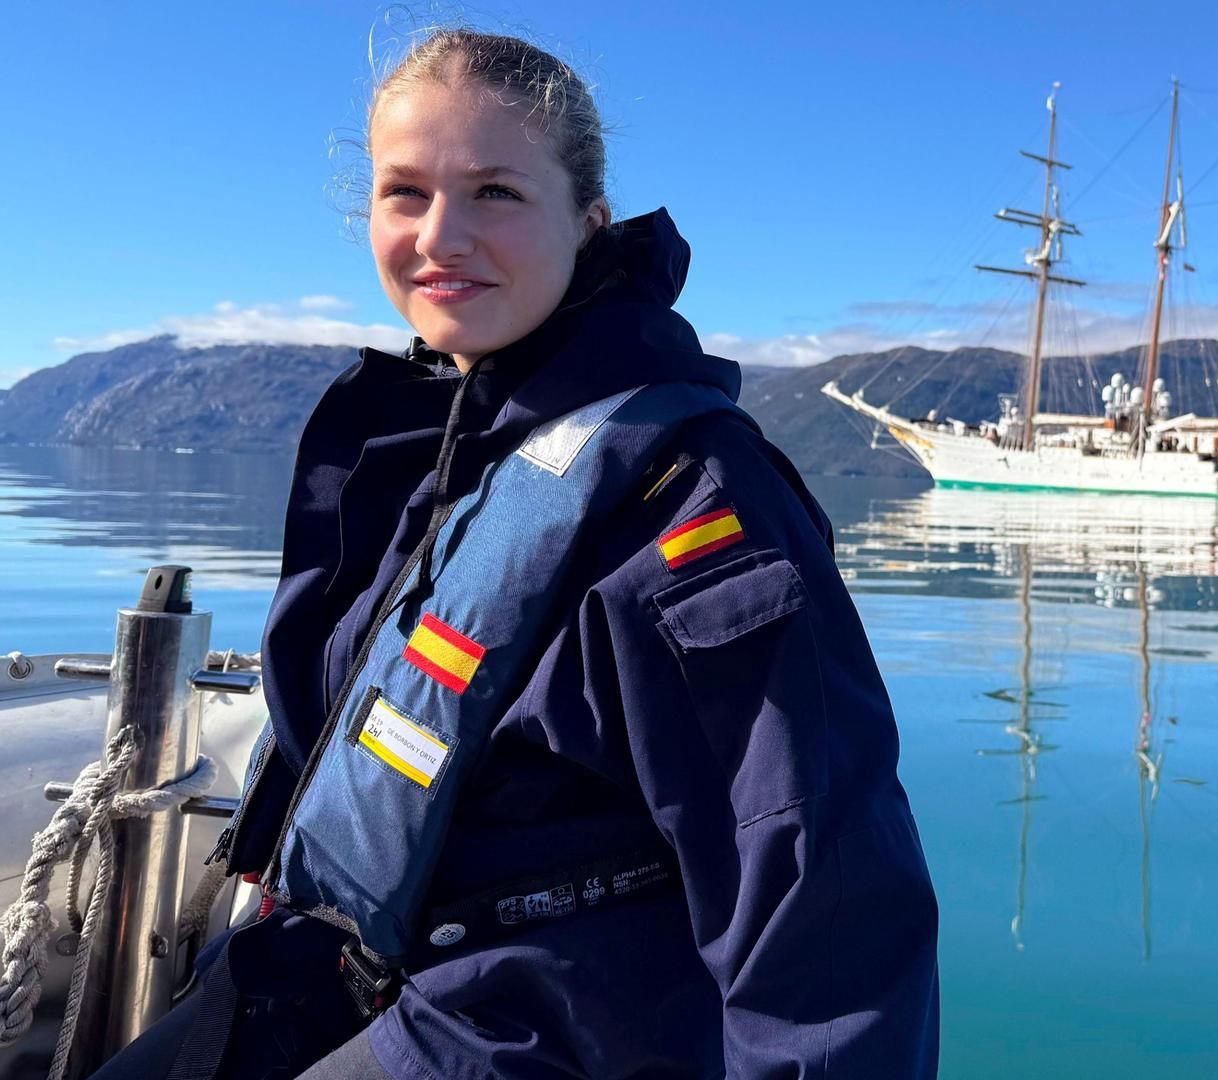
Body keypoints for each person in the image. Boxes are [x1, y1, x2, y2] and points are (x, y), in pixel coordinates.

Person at [90, 27, 939, 1080]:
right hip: (354, 966)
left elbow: (821, 895)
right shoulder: (452, 450)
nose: (441, 237)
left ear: (588, 224)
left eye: (494, 191)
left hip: (541, 1025)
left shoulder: (691, 503)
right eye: (406, 192)